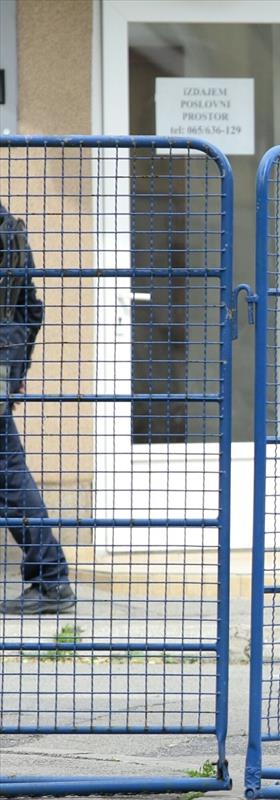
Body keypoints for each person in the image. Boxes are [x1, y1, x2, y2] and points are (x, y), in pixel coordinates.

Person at [0, 203, 74, 616]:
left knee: (6, 470)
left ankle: (51, 577)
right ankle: (50, 577)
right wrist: (16, 367)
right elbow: (31, 310)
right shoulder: (12, 230)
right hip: (5, 355)